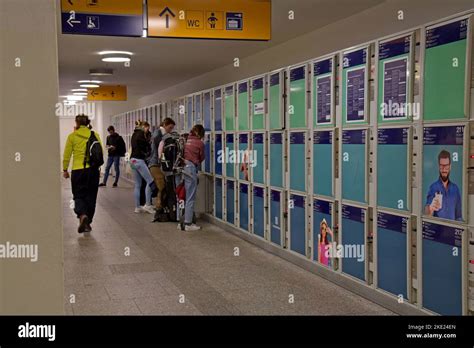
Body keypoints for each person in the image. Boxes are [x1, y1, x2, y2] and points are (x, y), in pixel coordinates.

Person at [63, 115, 103, 233]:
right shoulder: (95, 135)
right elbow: (100, 152)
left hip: (78, 171)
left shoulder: (72, 136)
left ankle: (82, 215)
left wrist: (65, 169)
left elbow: (67, 154)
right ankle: (88, 221)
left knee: (79, 195)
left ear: (77, 123)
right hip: (93, 171)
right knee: (91, 196)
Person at [177, 125, 205, 231]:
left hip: (183, 167)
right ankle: (188, 223)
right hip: (191, 168)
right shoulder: (199, 143)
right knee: (190, 197)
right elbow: (202, 157)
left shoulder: (186, 139)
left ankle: (181, 222)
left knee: (183, 195)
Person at [148, 118, 176, 219]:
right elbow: (159, 149)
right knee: (162, 187)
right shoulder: (158, 134)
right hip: (155, 164)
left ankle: (160, 208)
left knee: (162, 187)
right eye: (170, 127)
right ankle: (159, 209)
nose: (171, 130)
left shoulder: (159, 133)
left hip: (157, 164)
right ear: (165, 124)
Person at [425, 149, 462, 221]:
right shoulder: (433, 187)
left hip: (452, 229)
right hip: (438, 230)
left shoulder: (455, 189)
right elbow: (427, 210)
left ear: (450, 166)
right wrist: (430, 208)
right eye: (441, 166)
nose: (444, 169)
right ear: (438, 166)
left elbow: (458, 216)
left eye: (446, 166)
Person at [130, 120, 155, 214]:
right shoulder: (140, 134)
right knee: (150, 181)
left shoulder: (134, 134)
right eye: (146, 127)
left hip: (132, 160)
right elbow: (145, 145)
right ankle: (148, 204)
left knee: (137, 185)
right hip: (139, 160)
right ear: (143, 127)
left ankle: (137, 207)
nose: (147, 129)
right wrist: (149, 144)